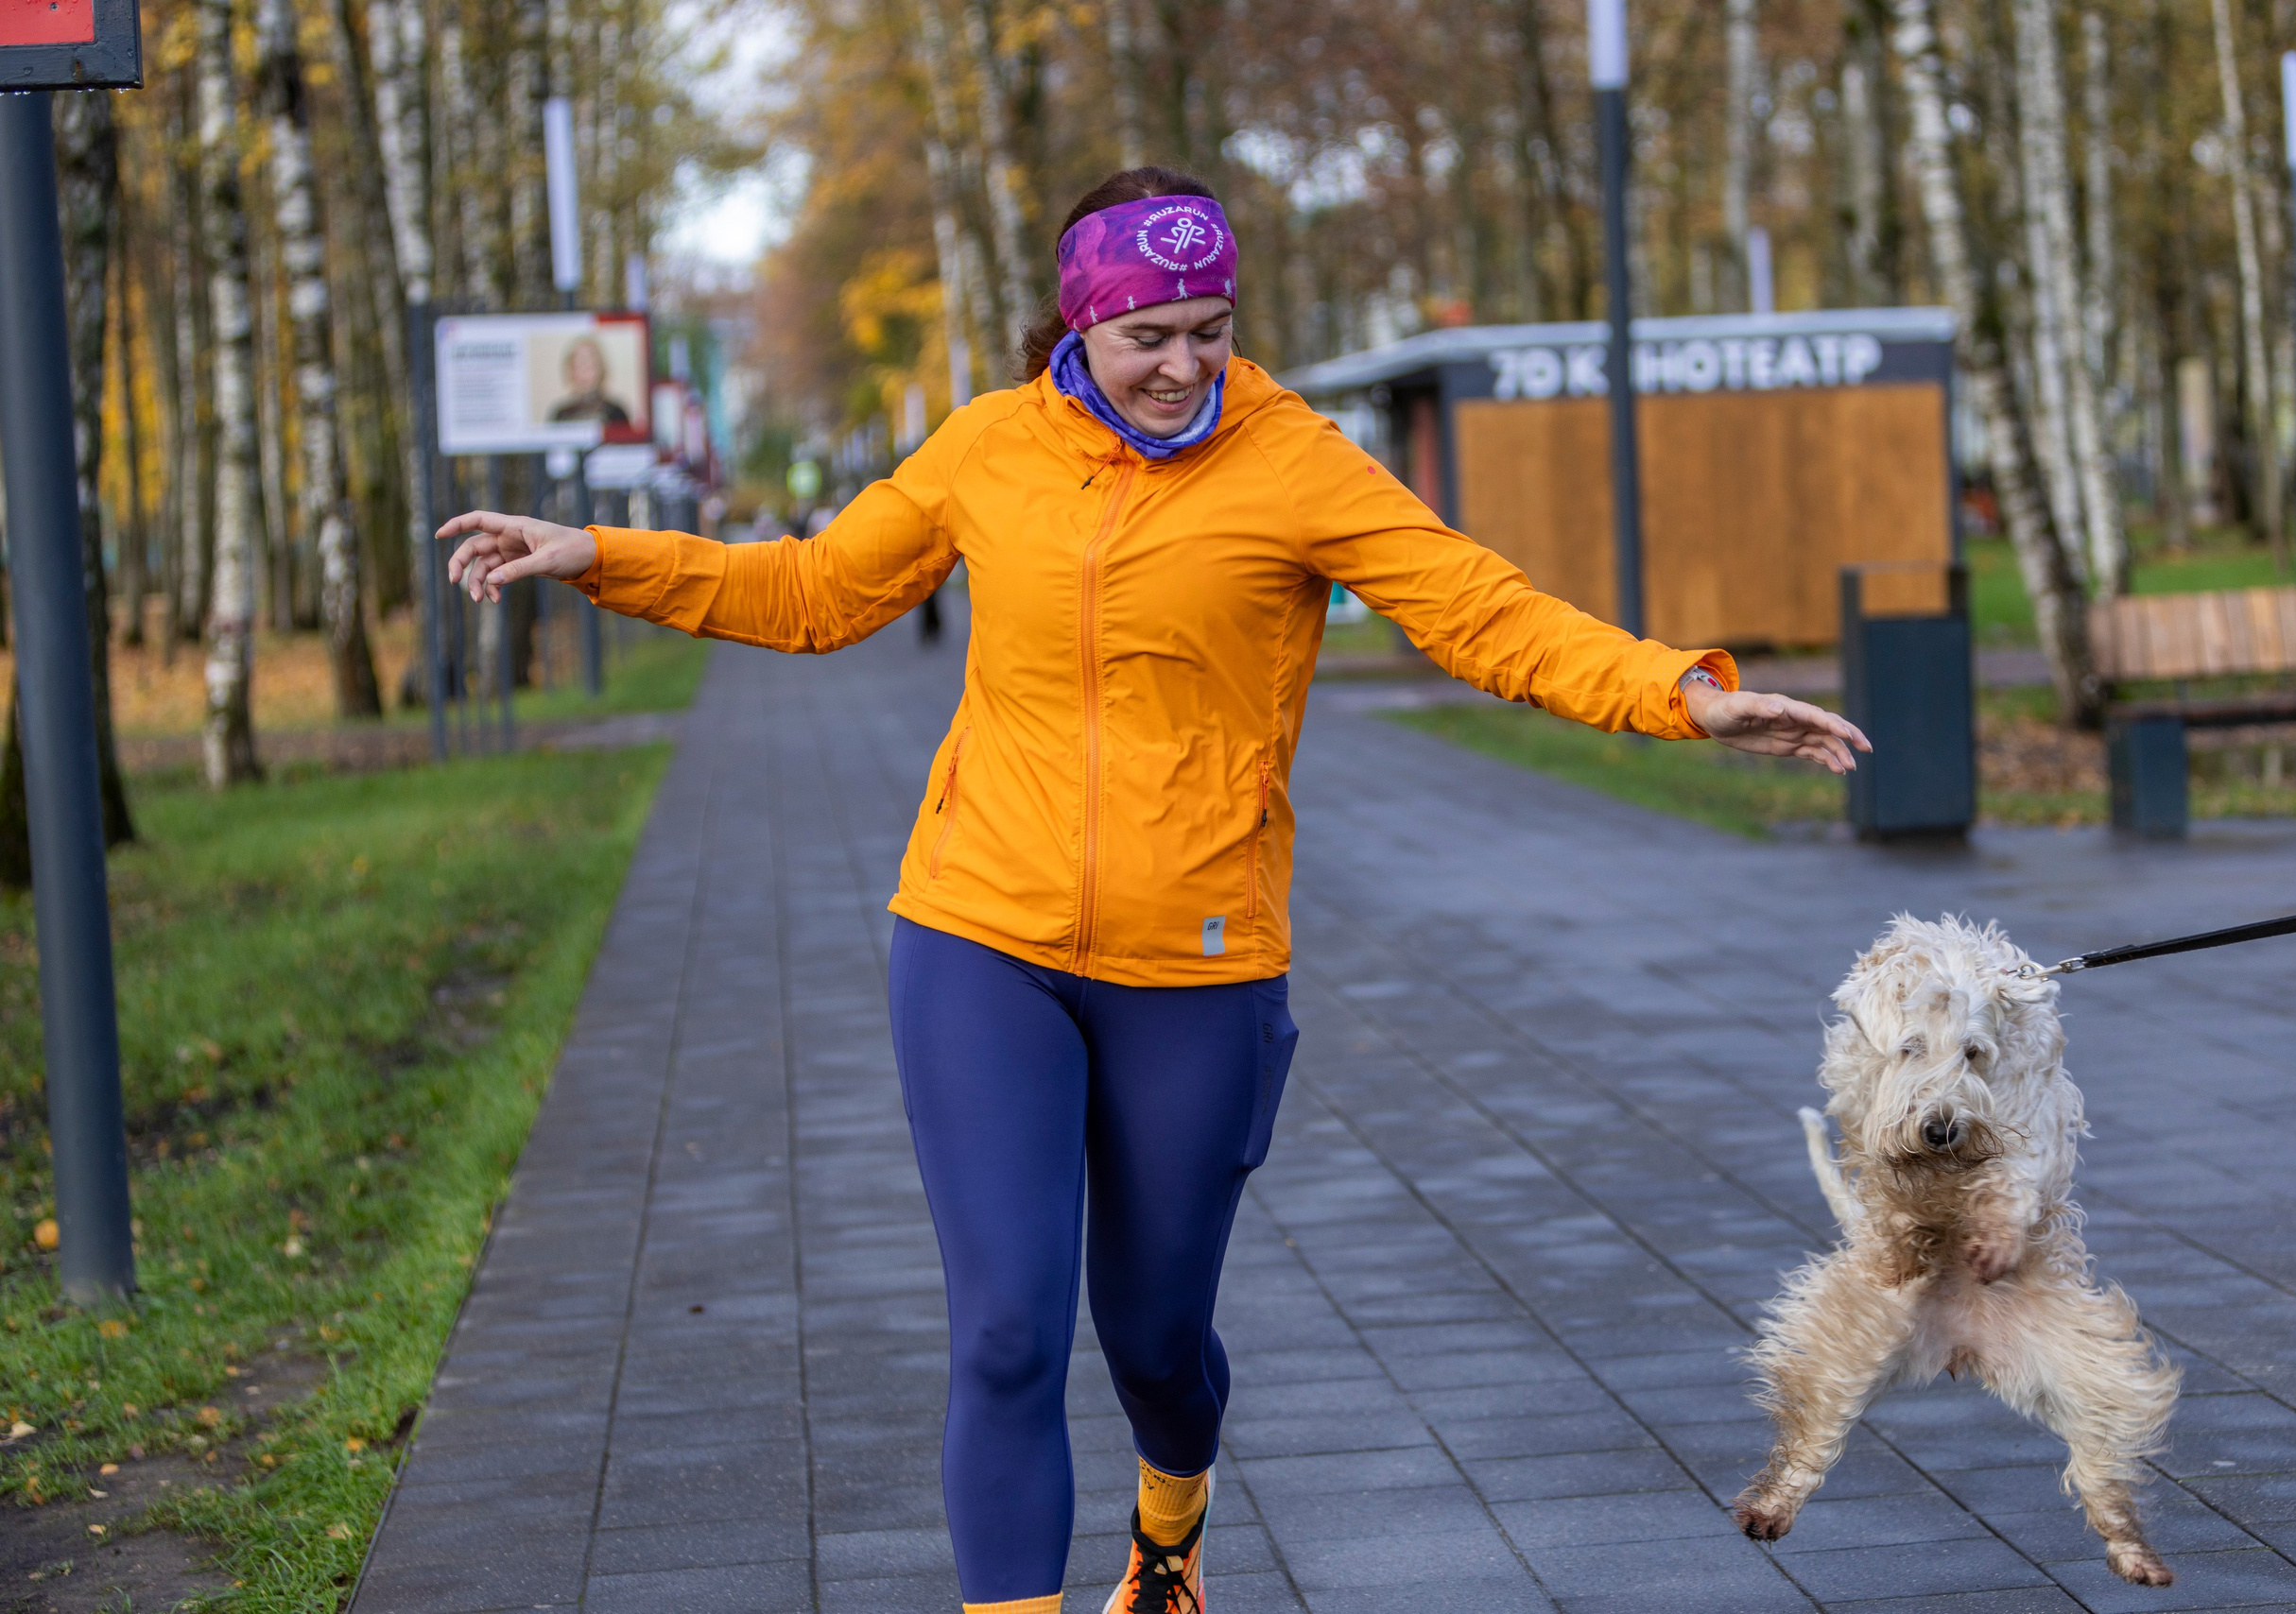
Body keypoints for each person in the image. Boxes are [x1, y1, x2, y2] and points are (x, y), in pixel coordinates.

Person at [439, 166, 1868, 1614]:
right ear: (1080, 325)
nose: (1187, 363)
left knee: (1155, 1342)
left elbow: (1480, 611)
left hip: (1196, 961)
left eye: (1212, 327)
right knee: (1005, 1331)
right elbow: (815, 591)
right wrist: (602, 558)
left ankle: (1169, 1526)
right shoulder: (992, 446)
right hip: (977, 932)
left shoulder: (1295, 462)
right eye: (1151, 335)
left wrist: (1683, 695)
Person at [546, 335, 632, 426]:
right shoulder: (561, 415)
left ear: (601, 367)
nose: (585, 369)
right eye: (579, 363)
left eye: (590, 362)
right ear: (571, 370)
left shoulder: (616, 413)